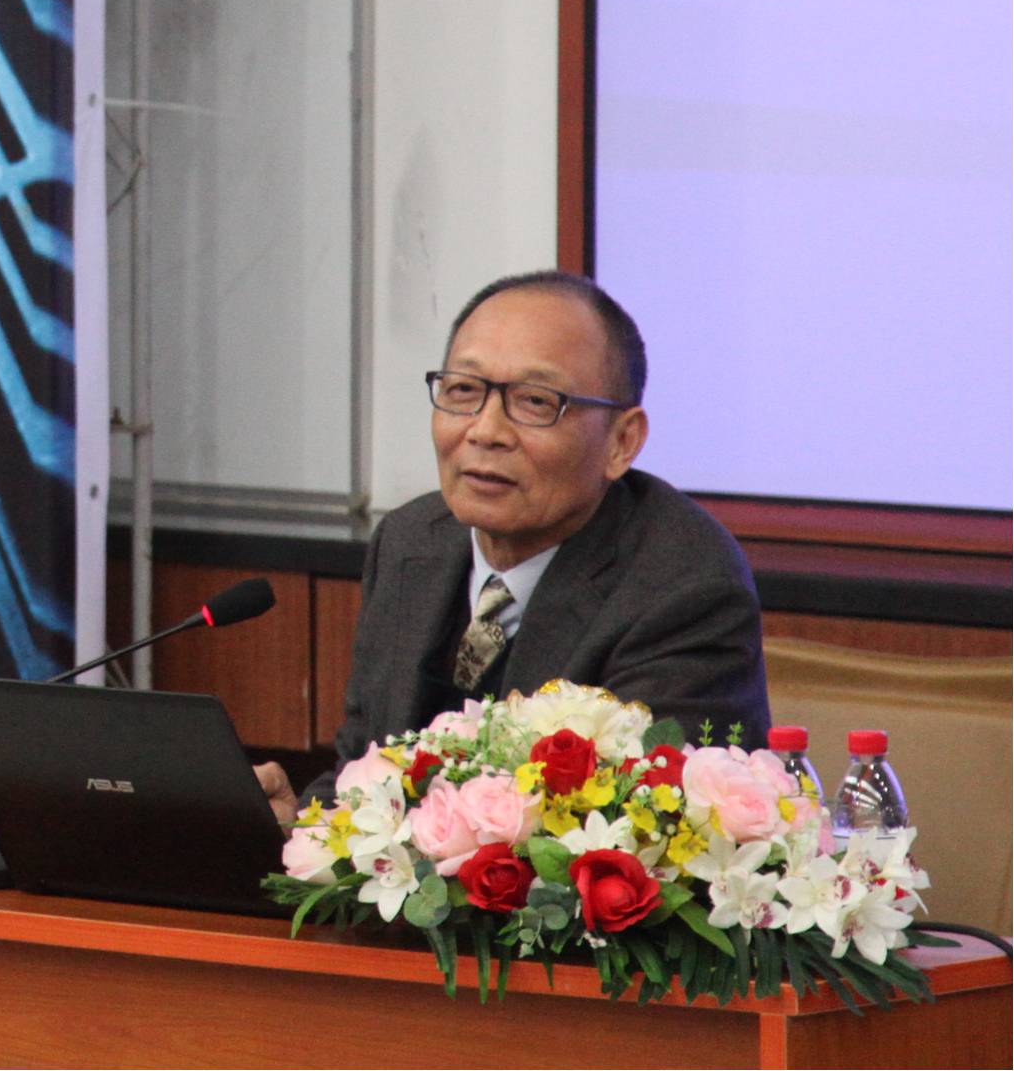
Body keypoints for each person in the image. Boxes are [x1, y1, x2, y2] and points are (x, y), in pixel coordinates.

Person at [256, 270, 770, 821]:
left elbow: (640, 831)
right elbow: (365, 766)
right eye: (463, 391)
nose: (485, 431)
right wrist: (302, 822)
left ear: (622, 442)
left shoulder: (684, 586)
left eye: (534, 401)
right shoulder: (411, 543)